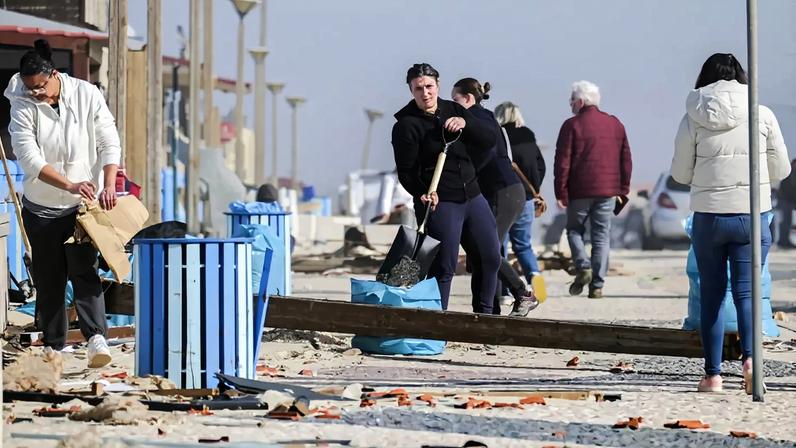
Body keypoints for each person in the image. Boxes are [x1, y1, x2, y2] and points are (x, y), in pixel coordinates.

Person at [671, 53, 790, 393]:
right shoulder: (762, 113)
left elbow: (680, 173)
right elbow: (781, 169)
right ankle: (750, 362)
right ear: (742, 77)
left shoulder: (693, 116)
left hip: (709, 217)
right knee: (746, 292)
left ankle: (712, 376)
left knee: (712, 294)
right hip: (751, 216)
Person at [5, 39, 120, 367]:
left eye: (40, 87)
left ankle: (96, 338)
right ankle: (54, 347)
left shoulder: (87, 94)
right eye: (30, 88)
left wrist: (109, 183)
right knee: (50, 279)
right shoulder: (21, 104)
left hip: (81, 209)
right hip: (41, 209)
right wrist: (70, 183)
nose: (36, 93)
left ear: (54, 75)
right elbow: (30, 160)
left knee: (85, 271)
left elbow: (108, 140)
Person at [392, 63, 500, 313]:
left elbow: (489, 139)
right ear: (411, 90)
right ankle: (438, 321)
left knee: (490, 258)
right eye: (418, 88)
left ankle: (485, 317)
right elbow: (406, 172)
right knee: (444, 266)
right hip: (440, 202)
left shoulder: (454, 109)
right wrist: (422, 191)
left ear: (438, 85)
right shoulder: (406, 125)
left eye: (429, 86)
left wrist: (466, 123)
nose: (425, 93)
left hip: (472, 196)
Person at [451, 79, 539, 317]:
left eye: (455, 99)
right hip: (499, 192)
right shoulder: (480, 117)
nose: (452, 104)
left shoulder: (478, 118)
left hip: (504, 191)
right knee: (480, 254)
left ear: (468, 98)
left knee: (487, 251)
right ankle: (488, 312)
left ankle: (522, 293)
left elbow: (485, 154)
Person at [554, 80, 632, 299]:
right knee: (601, 237)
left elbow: (562, 163)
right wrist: (623, 189)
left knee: (574, 230)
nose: (570, 104)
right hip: (608, 192)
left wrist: (561, 192)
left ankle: (583, 265)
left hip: (579, 191)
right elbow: (626, 160)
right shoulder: (615, 124)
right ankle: (597, 286)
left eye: (572, 100)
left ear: (580, 101)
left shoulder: (571, 125)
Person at [495, 101, 547, 301]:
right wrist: (534, 189)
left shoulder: (499, 136)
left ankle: (504, 292)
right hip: (526, 200)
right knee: (524, 245)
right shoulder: (528, 136)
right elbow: (541, 166)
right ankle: (535, 277)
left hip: (504, 198)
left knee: (500, 245)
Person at [776, 159, 796, 248]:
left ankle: (785, 240)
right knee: (785, 222)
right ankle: (783, 241)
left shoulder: (790, 173)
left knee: (787, 221)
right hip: (785, 201)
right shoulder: (788, 173)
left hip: (787, 201)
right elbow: (789, 189)